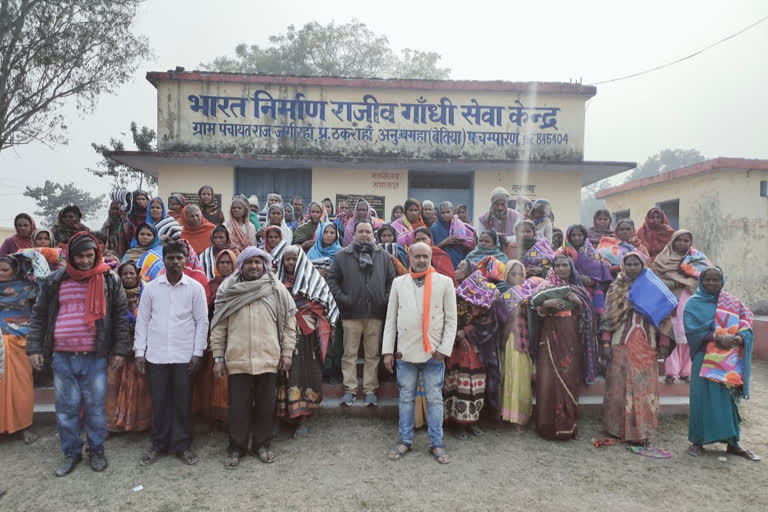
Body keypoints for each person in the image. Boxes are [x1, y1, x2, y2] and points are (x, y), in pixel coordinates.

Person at [26, 231, 130, 476]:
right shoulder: (55, 280)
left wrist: (119, 350)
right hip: (62, 357)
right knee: (66, 409)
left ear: (97, 254)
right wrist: (34, 347)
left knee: (95, 408)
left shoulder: (109, 280)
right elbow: (39, 316)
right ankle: (71, 452)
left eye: (89, 255)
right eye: (79, 256)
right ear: (70, 256)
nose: (84, 261)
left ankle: (96, 450)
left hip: (95, 356)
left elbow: (120, 318)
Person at [209, 247, 297, 467]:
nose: (254, 267)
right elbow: (218, 327)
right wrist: (218, 357)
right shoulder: (229, 288)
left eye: (258, 262)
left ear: (264, 265)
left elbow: (289, 323)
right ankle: (236, 446)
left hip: (268, 358)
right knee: (238, 407)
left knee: (266, 406)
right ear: (241, 265)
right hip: (237, 360)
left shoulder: (276, 289)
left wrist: (287, 352)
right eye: (249, 262)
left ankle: (262, 445)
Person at [134, 240, 209, 467]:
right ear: (163, 260)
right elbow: (143, 321)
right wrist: (139, 352)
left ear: (186, 260)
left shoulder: (195, 288)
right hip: (156, 355)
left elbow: (202, 322)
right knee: (159, 401)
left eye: (179, 258)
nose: (175, 262)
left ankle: (182, 445)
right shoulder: (151, 288)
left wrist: (197, 353)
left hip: (184, 355)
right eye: (170, 258)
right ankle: (159, 444)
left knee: (182, 402)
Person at [382, 242, 456, 464]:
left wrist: (444, 349)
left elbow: (451, 320)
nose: (422, 260)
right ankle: (405, 440)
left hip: (434, 352)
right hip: (406, 351)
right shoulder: (398, 283)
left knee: (434, 399)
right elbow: (391, 319)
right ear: (410, 257)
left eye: (425, 256)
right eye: (417, 256)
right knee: (405, 398)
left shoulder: (445, 282)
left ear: (431, 256)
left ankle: (437, 443)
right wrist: (388, 351)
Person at [684, 267, 760, 461]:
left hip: (728, 359)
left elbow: (747, 322)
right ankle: (697, 442)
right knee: (701, 398)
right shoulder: (693, 303)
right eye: (707, 279)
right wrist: (716, 337)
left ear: (722, 281)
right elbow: (692, 330)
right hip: (704, 357)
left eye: (715, 280)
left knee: (728, 400)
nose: (711, 283)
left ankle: (733, 443)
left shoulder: (732, 302)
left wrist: (739, 339)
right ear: (701, 281)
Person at [600, 252, 669, 445]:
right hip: (620, 342)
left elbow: (664, 316)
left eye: (635, 263)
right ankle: (617, 428)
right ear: (623, 266)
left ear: (643, 264)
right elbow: (608, 317)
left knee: (643, 386)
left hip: (647, 343)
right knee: (618, 385)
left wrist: (664, 342)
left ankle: (641, 429)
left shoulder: (653, 287)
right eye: (628, 264)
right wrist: (605, 343)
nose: (631, 267)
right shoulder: (616, 287)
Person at [327, 219, 395, 406]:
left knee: (372, 355)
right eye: (361, 231)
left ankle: (370, 390)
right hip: (351, 314)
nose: (365, 234)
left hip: (375, 313)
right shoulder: (342, 256)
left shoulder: (383, 256)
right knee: (349, 354)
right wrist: (344, 299)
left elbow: (391, 281)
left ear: (373, 234)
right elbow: (332, 280)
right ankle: (349, 390)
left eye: (368, 231)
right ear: (354, 234)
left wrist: (383, 299)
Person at [275, 245, 338, 437]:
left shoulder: (315, 282)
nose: (291, 263)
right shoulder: (275, 282)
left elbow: (326, 306)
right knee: (282, 377)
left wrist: (300, 311)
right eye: (287, 260)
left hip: (308, 339)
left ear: (301, 260)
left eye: (294, 259)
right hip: (281, 337)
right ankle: (283, 418)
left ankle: (303, 419)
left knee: (305, 376)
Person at [530, 254, 595, 440]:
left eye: (564, 265)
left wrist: (579, 304)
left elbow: (585, 317)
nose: (561, 269)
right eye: (557, 266)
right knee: (548, 378)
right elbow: (533, 314)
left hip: (571, 337)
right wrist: (545, 305)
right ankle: (547, 427)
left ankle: (568, 425)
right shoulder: (544, 287)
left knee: (568, 376)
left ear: (571, 267)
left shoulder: (578, 289)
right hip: (549, 336)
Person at [444, 261, 498, 439]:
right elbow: (443, 316)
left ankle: (472, 422)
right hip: (456, 347)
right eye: (456, 267)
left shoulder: (485, 293)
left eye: (460, 268)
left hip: (476, 347)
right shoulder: (451, 292)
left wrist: (466, 332)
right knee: (458, 383)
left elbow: (489, 321)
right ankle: (458, 424)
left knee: (476, 384)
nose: (456, 270)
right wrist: (456, 334)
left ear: (470, 272)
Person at [652, 230, 712, 384]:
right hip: (669, 302)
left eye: (686, 241)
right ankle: (671, 372)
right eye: (679, 240)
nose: (683, 243)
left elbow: (708, 277)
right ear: (672, 241)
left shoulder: (696, 258)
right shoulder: (662, 259)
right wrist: (677, 283)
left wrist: (691, 283)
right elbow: (654, 279)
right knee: (672, 334)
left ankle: (687, 371)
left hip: (691, 302)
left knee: (689, 335)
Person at [105, 261, 152, 433]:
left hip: (143, 346)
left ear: (138, 274)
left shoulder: (148, 293)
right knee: (114, 383)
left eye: (132, 273)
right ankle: (113, 425)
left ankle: (140, 424)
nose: (129, 277)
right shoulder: (114, 295)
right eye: (125, 274)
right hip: (119, 345)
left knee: (140, 384)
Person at [496, 261, 542, 428]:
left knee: (522, 375)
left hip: (524, 337)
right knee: (508, 373)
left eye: (521, 274)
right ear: (506, 274)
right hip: (507, 338)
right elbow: (498, 315)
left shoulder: (529, 292)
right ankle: (505, 415)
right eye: (513, 274)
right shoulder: (500, 290)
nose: (518, 277)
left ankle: (520, 416)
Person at [0, 255, 38, 445]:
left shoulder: (28, 288)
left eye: (4, 270)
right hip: (0, 341)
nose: (0, 274)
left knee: (22, 385)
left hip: (22, 339)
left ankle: (24, 427)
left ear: (15, 270)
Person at [557, 224, 613, 337]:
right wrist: (575, 278)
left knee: (587, 323)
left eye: (580, 235)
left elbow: (599, 278)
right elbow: (554, 271)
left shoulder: (593, 254)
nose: (577, 238)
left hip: (588, 293)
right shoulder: (561, 252)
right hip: (563, 289)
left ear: (585, 236)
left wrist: (589, 281)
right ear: (568, 236)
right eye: (574, 235)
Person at [431, 201, 475, 269]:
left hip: (460, 262)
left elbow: (470, 245)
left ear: (453, 212)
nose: (445, 215)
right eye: (443, 212)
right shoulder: (434, 228)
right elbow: (432, 249)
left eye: (448, 212)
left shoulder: (459, 224)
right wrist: (445, 242)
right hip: (442, 263)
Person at [119, 190, 149, 256]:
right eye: (138, 199)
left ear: (147, 201)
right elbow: (126, 235)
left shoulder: (151, 215)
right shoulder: (129, 216)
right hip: (132, 249)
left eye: (143, 199)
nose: (141, 201)